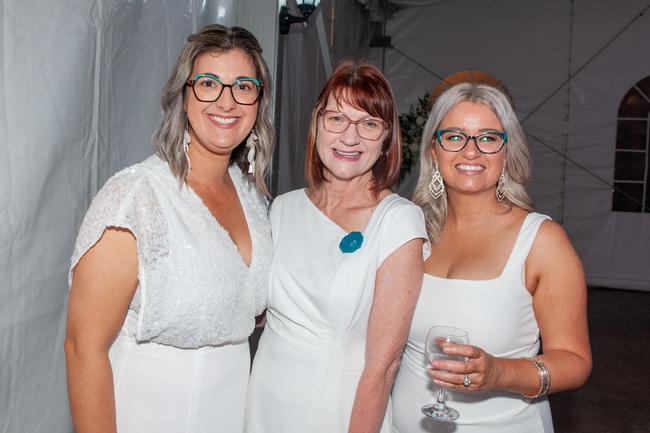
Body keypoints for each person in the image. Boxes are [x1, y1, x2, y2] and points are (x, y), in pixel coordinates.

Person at [64, 24, 273, 433]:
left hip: (232, 412)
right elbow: (82, 348)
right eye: (209, 83)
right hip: (145, 414)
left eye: (244, 86)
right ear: (183, 95)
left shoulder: (253, 198)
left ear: (258, 101)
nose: (227, 101)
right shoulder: (135, 197)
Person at [391, 83, 592, 433]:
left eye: (487, 138)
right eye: (454, 136)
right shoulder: (409, 230)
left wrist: (500, 373)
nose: (471, 151)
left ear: (506, 151)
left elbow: (575, 362)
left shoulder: (541, 241)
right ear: (433, 150)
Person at [245, 62, 428, 433]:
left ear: (386, 139)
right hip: (263, 401)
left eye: (369, 124)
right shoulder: (282, 208)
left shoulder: (398, 221)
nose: (350, 137)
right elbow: (257, 312)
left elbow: (384, 364)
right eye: (337, 119)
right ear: (317, 124)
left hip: (336, 410)